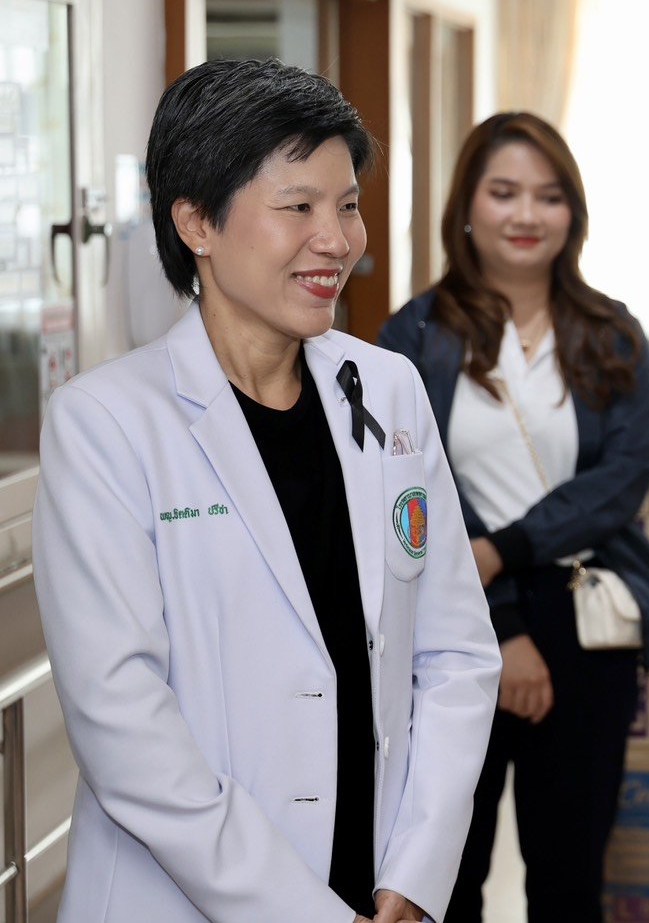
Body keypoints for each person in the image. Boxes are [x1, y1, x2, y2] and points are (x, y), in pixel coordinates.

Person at [32, 59, 502, 923]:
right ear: (196, 222)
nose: (337, 240)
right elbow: (123, 723)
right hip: (181, 901)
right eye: (298, 207)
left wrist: (415, 873)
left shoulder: (387, 389)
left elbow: (456, 653)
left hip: (377, 887)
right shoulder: (106, 423)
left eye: (347, 205)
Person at [378, 111, 649, 921]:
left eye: (549, 196)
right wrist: (505, 623)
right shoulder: (413, 335)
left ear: (572, 214)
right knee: (445, 873)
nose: (526, 214)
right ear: (465, 207)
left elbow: (622, 478)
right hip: (451, 619)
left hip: (584, 621)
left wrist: (505, 548)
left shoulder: (611, 332)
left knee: (569, 873)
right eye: (504, 192)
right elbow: (412, 483)